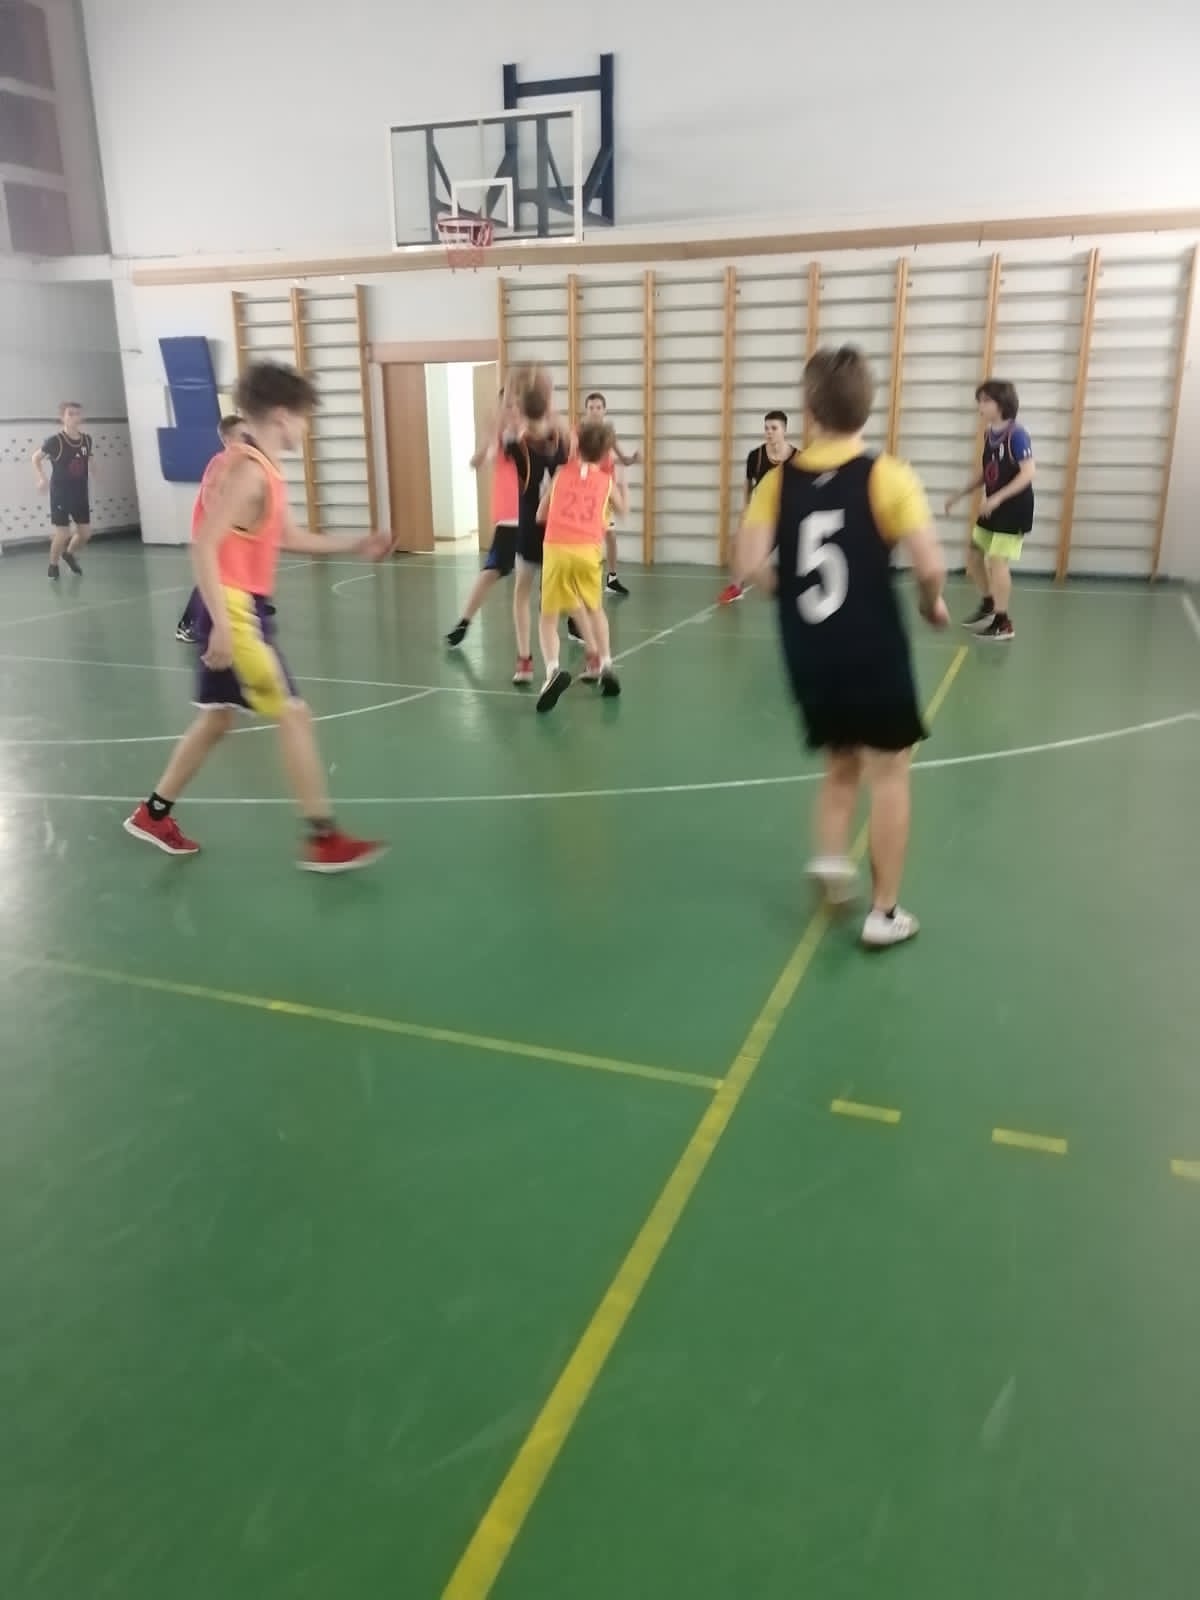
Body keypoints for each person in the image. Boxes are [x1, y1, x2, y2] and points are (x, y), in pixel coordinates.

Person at [123, 362, 391, 871]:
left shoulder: (261, 468)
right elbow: (204, 545)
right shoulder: (248, 472)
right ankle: (323, 838)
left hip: (239, 606)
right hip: (234, 609)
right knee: (293, 713)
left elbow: (288, 537)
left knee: (218, 718)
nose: (306, 428)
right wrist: (224, 625)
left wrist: (356, 544)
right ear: (283, 417)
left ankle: (153, 814)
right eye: (305, 418)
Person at [734, 347, 949, 948]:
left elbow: (748, 561)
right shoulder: (888, 476)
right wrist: (931, 603)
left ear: (808, 410)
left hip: (810, 651)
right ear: (868, 408)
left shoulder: (778, 481)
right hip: (871, 647)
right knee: (891, 770)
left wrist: (790, 591)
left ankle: (831, 860)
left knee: (840, 763)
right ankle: (884, 912)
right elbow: (931, 565)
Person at [534, 419, 625, 712]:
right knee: (595, 608)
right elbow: (623, 511)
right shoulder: (606, 481)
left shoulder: (561, 473)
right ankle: (606, 664)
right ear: (605, 452)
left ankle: (552, 670)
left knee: (548, 616)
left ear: (578, 445)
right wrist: (622, 484)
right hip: (588, 549)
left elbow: (540, 515)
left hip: (557, 547)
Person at [944, 379, 1035, 641]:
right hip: (993, 507)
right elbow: (988, 472)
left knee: (997, 561)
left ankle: (1003, 623)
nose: (980, 406)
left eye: (986, 401)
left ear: (1002, 403)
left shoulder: (1017, 434)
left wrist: (998, 498)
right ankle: (988, 605)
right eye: (979, 401)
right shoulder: (989, 434)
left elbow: (1029, 472)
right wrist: (961, 493)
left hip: (1014, 507)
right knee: (974, 555)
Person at [444, 384, 522, 649]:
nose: (512, 409)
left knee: (558, 573)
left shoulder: (533, 434)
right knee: (490, 572)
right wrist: (488, 440)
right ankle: (464, 623)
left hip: (536, 517)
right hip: (509, 518)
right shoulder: (497, 439)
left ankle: (575, 622)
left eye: (516, 404)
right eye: (507, 405)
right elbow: (476, 461)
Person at [508, 375, 568, 685]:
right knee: (553, 604)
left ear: (521, 410)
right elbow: (559, 424)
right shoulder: (562, 443)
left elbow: (507, 426)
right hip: (557, 535)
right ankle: (580, 659)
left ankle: (524, 662)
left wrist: (514, 394)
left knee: (521, 594)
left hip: (529, 533)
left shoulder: (517, 446)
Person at [176, 414, 251, 643]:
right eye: (242, 436)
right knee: (213, 577)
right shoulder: (221, 462)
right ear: (227, 439)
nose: (247, 440)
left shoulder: (243, 463)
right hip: (211, 530)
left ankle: (242, 612)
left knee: (231, 574)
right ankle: (187, 625)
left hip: (229, 530)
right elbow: (209, 497)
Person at [719, 409, 796, 605]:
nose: (769, 432)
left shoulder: (797, 458)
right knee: (740, 547)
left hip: (787, 515)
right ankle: (736, 587)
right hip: (762, 516)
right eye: (766, 428)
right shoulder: (756, 456)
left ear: (784, 430)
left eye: (774, 428)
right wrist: (745, 509)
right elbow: (748, 484)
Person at [32, 402, 97, 580]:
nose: (75, 417)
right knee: (63, 533)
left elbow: (88, 455)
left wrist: (94, 467)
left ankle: (68, 554)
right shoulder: (55, 441)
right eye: (70, 414)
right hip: (61, 493)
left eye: (77, 414)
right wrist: (41, 478)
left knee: (85, 533)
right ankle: (53, 566)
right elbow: (35, 458)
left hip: (80, 493)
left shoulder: (87, 439)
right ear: (63, 418)